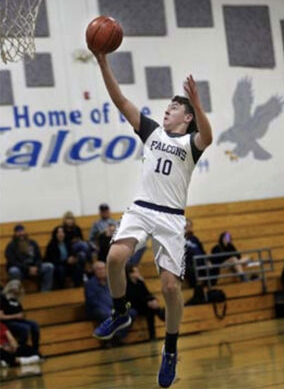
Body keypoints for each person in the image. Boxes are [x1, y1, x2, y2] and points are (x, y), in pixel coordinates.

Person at [89, 48, 212, 388]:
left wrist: (197, 103)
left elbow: (209, 136)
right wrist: (102, 61)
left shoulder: (191, 143)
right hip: (142, 208)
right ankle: (119, 311)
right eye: (168, 108)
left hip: (172, 218)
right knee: (114, 257)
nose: (167, 111)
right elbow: (120, 100)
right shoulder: (152, 132)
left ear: (186, 117)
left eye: (173, 108)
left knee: (171, 287)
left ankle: (170, 348)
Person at [84, 261, 135, 344]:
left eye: (103, 268)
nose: (101, 271)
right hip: (97, 309)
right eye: (98, 269)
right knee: (106, 314)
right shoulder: (90, 284)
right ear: (94, 271)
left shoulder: (111, 281)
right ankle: (108, 340)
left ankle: (118, 336)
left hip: (112, 307)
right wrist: (109, 309)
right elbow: (92, 301)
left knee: (132, 313)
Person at [5, 225, 54, 292]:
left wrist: (37, 267)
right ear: (15, 234)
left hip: (34, 268)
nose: (21, 233)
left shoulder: (32, 243)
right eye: (18, 232)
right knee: (14, 271)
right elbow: (13, 262)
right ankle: (16, 294)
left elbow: (38, 257)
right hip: (21, 270)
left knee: (49, 267)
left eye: (22, 231)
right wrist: (27, 269)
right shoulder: (11, 246)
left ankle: (45, 292)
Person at [0, 280, 41, 357]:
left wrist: (22, 315)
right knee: (25, 328)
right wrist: (16, 316)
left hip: (17, 320)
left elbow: (20, 312)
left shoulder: (17, 300)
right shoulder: (3, 298)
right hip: (7, 321)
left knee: (34, 324)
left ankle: (36, 349)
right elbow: (1, 316)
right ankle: (21, 350)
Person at [126, 264, 165, 340]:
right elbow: (133, 299)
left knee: (150, 310)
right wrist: (148, 302)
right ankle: (160, 313)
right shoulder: (127, 285)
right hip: (133, 306)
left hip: (144, 305)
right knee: (150, 308)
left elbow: (147, 293)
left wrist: (153, 299)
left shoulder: (140, 282)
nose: (138, 273)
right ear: (130, 274)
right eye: (136, 272)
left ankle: (152, 336)